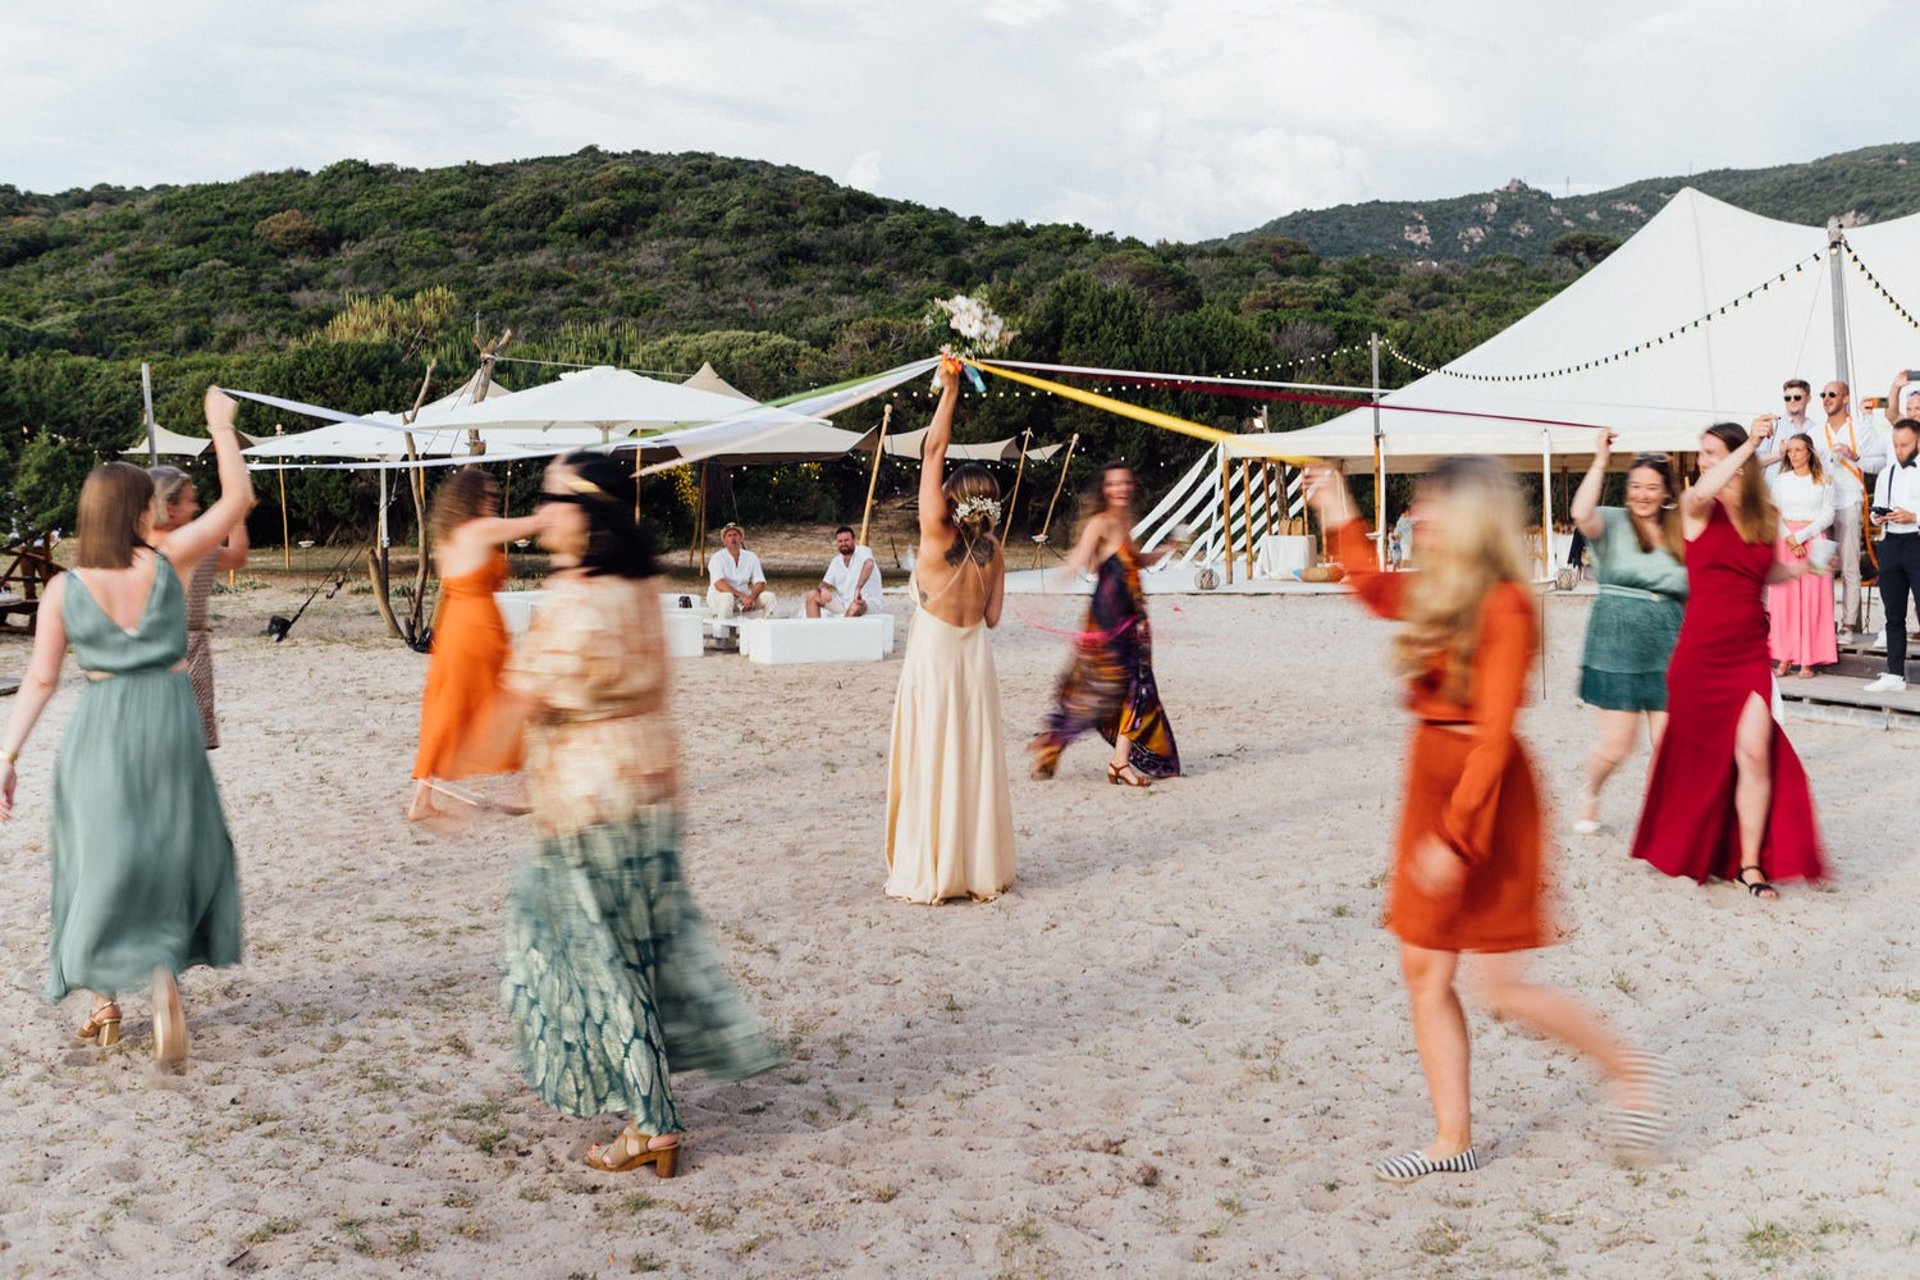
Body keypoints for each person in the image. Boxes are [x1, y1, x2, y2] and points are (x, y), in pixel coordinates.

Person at [1305, 457, 1665, 1182]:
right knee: (1423, 969)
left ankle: (1628, 1069)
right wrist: (1339, 508)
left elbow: (1495, 738)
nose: (1420, 520)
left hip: (1487, 798)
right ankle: (1452, 1139)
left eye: (1434, 508)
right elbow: (1374, 588)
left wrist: (1455, 835)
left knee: (1499, 988)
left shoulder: (1503, 603)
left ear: (1471, 518)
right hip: (1431, 780)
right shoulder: (1438, 588)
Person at [457, 452, 780, 1177]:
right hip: (650, 788)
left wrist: (454, 770)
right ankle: (650, 1107)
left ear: (586, 511)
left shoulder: (575, 595)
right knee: (632, 954)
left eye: (551, 500)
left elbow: (525, 698)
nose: (541, 515)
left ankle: (653, 1120)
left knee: (583, 960)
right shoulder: (644, 583)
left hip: (588, 803)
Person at [0, 386, 254, 1068]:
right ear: (140, 509)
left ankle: (105, 1001)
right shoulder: (170, 559)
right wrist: (220, 427)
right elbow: (238, 505)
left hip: (102, 729)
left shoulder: (64, 589)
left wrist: (8, 753)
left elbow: (44, 680)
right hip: (170, 718)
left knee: (99, 859)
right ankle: (165, 979)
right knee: (171, 848)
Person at [1629, 420, 1827, 898]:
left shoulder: (1763, 515)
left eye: (1713, 452)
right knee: (1695, 761)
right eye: (1702, 453)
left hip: (1748, 652)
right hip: (1699, 654)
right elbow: (1706, 488)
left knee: (1756, 754)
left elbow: (1762, 569)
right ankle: (1691, 843)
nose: (1703, 461)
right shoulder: (1698, 507)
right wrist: (1753, 448)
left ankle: (1750, 864)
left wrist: (1806, 567)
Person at [884, 360, 1016, 904]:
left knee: (932, 756)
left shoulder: (936, 536)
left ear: (952, 497)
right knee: (971, 757)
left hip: (936, 655)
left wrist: (951, 388)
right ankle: (976, 866)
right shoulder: (996, 553)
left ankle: (932, 864)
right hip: (974, 657)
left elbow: (932, 450)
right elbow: (992, 620)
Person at [1028, 462, 1181, 786]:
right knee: (1096, 693)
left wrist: (1166, 550)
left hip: (1133, 620)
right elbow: (1076, 561)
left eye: (1125, 483)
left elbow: (1136, 561)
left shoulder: (1125, 522)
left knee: (1138, 689)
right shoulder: (1099, 523)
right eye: (1113, 484)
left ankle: (1119, 761)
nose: (1120, 489)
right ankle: (1054, 744)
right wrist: (1044, 595)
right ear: (1104, 490)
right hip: (1106, 624)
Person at [408, 467, 546, 822]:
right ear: (470, 500)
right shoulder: (479, 530)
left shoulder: (447, 538)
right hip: (476, 631)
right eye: (486, 496)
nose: (492, 501)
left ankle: (422, 798)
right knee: (509, 700)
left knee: (446, 710)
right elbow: (527, 525)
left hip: (454, 628)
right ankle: (518, 786)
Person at [1567, 434, 1688, 834]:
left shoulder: (1681, 527)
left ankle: (1659, 818)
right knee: (1617, 745)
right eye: (1636, 486)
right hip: (1617, 638)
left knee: (1669, 744)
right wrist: (1601, 460)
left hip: (1670, 636)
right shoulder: (1614, 521)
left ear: (1667, 491)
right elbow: (1580, 513)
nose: (1642, 494)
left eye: (1652, 487)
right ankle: (1592, 790)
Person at [147, 464, 251, 748]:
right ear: (169, 506)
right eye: (190, 501)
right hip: (189, 651)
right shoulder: (195, 547)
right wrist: (236, 517)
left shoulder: (133, 549)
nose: (195, 508)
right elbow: (237, 557)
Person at [1805, 382, 1886, 638]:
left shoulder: (1859, 428)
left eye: (1832, 395)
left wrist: (1854, 456)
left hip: (1848, 500)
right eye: (1823, 395)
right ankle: (1822, 623)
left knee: (1850, 565)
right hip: (1821, 504)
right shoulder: (1817, 432)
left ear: (1845, 399)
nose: (1826, 399)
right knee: (1820, 566)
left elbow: (1880, 463)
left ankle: (1849, 624)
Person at [1765, 434, 1837, 679]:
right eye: (1790, 450)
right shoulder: (1781, 480)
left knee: (1813, 601)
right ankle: (1784, 656)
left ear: (1809, 452)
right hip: (1786, 542)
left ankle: (1808, 658)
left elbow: (1828, 514)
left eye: (1798, 449)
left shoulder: (1824, 480)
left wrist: (1803, 535)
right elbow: (1774, 512)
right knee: (1784, 602)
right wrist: (1790, 538)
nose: (1793, 454)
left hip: (1815, 542)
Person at [1862, 419, 1920, 694]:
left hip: (1917, 541)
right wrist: (1878, 515)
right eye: (1895, 444)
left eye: (1904, 444)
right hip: (1891, 542)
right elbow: (1876, 509)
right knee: (1893, 614)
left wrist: (1915, 517)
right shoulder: (1887, 473)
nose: (1899, 450)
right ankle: (1895, 674)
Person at [803, 526, 882, 618]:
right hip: (843, 604)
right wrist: (823, 590)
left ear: (854, 540)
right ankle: (815, 631)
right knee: (812, 595)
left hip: (868, 602)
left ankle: (843, 631)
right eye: (840, 541)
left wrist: (858, 589)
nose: (843, 543)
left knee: (855, 606)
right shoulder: (836, 561)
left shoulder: (863, 551)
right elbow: (824, 583)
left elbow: (869, 565)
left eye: (846, 540)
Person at [706, 524, 778, 618]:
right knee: (728, 598)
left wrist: (751, 598)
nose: (733, 538)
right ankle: (724, 629)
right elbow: (719, 584)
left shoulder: (751, 557)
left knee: (770, 597)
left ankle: (765, 628)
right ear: (724, 541)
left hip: (745, 598)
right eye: (729, 535)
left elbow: (760, 582)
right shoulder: (717, 558)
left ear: (741, 538)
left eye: (735, 534)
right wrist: (742, 596)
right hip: (720, 597)